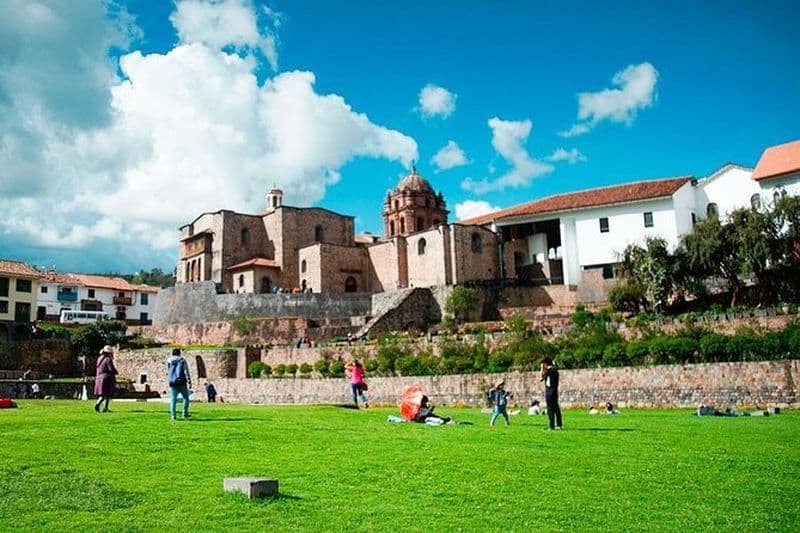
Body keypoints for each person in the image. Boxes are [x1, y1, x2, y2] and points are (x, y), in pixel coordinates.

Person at [166, 348, 192, 420]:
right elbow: (186, 371)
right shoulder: (182, 360)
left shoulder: (169, 360)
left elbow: (168, 371)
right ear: (179, 353)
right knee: (186, 398)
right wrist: (189, 381)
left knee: (173, 400)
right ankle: (184, 413)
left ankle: (173, 416)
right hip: (182, 381)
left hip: (172, 382)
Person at [94, 345, 118, 413]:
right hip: (106, 378)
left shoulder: (99, 358)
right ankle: (102, 406)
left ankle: (101, 406)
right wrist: (116, 372)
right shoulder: (108, 359)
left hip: (99, 377)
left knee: (103, 394)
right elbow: (111, 369)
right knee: (107, 394)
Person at [541, 357, 562, 430]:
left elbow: (541, 377)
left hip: (550, 392)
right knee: (555, 408)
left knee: (551, 409)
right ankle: (558, 424)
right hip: (552, 391)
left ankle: (552, 425)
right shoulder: (553, 370)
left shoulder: (551, 370)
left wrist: (542, 369)